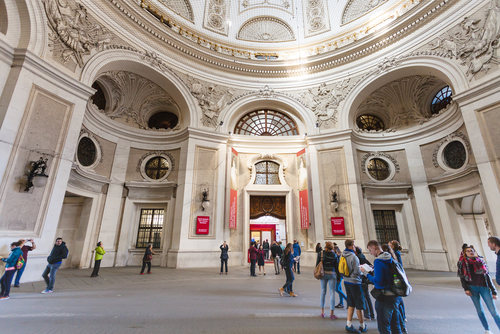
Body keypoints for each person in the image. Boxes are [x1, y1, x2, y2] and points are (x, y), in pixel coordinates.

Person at [361, 240, 402, 334]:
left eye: (370, 250)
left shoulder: (378, 261)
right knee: (395, 326)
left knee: (384, 327)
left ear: (374, 248)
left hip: (385, 297)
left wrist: (365, 273)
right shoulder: (390, 258)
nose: (371, 253)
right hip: (395, 296)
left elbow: (378, 282)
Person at [458, 243, 500, 334]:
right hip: (472, 288)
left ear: (474, 252)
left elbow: (487, 276)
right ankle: (487, 329)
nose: (470, 252)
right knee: (479, 310)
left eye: (472, 251)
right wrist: (466, 288)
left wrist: (493, 291)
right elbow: (462, 277)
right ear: (465, 253)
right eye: (468, 251)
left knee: (493, 312)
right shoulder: (463, 263)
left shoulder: (480, 262)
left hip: (484, 288)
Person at [342, 239, 367, 333]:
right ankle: (362, 325)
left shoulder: (343, 255)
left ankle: (348, 324)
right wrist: (363, 270)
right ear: (350, 246)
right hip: (355, 282)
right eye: (354, 245)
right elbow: (357, 271)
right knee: (359, 304)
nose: (355, 247)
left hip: (347, 281)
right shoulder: (354, 257)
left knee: (351, 303)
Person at [317, 241, 338, 319]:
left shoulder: (321, 253)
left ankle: (322, 312)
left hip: (323, 274)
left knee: (323, 291)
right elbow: (337, 267)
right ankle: (332, 313)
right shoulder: (334, 255)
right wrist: (338, 278)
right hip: (332, 274)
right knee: (332, 293)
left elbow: (317, 264)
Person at [389, 241, 407, 331]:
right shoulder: (395, 253)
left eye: (390, 244)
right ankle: (402, 319)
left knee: (398, 300)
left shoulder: (395, 254)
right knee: (398, 299)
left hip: (396, 279)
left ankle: (402, 319)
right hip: (397, 278)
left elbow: (399, 266)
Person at [356, 246, 375, 322]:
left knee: (363, 297)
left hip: (362, 280)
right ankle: (372, 314)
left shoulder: (357, 258)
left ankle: (367, 315)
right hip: (365, 280)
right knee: (367, 297)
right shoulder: (363, 257)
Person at [334, 245, 348, 309]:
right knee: (340, 289)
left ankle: (347, 300)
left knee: (336, 289)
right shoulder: (339, 256)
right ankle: (341, 303)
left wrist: (338, 278)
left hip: (339, 275)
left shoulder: (338, 258)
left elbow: (338, 268)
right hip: (340, 275)